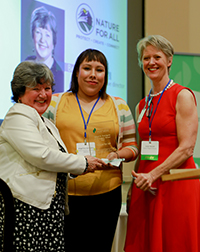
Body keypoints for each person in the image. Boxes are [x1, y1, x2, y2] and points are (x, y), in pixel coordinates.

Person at [0, 61, 104, 252]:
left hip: (48, 211)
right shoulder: (18, 115)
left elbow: (54, 159)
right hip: (26, 208)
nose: (43, 94)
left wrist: (78, 169)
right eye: (36, 88)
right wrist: (81, 163)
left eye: (47, 88)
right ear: (20, 92)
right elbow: (42, 156)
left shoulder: (47, 123)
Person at [44, 48, 138, 252]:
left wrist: (117, 155)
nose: (93, 74)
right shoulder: (55, 103)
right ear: (77, 72)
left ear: (106, 75)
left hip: (106, 195)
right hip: (64, 195)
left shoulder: (119, 106)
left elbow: (132, 147)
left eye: (100, 69)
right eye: (87, 68)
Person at [125, 35, 200, 252]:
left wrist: (153, 175)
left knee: (174, 242)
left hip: (175, 181)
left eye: (157, 56)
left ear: (169, 60)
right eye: (146, 58)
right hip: (146, 182)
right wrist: (133, 186)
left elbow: (187, 148)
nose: (151, 62)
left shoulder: (182, 95)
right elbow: (143, 148)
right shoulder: (142, 104)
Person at [26, 6, 64, 92]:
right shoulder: (25, 65)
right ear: (33, 37)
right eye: (38, 32)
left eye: (47, 35)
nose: (42, 40)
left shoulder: (60, 76)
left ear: (53, 41)